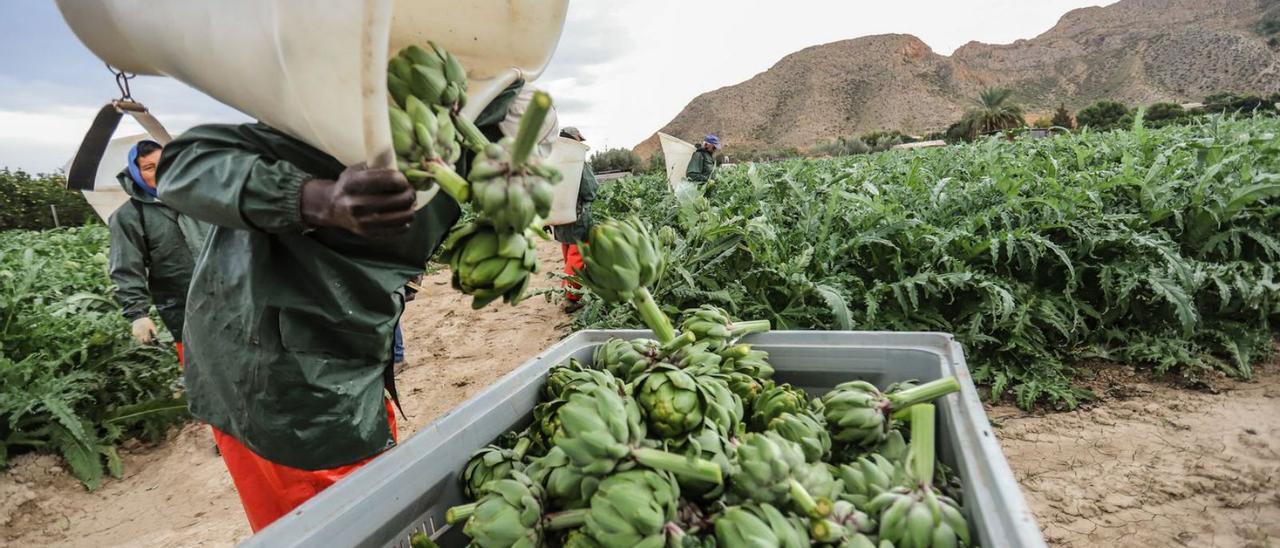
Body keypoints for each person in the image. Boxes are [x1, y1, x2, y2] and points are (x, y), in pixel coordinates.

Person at [155, 85, 549, 532]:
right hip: (278, 385)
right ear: (476, 133)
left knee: (363, 515)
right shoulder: (350, 130)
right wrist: (317, 199)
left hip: (345, 363)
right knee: (331, 528)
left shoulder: (458, 183)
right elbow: (183, 164)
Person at [107, 140, 209, 367]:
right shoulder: (130, 215)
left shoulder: (198, 200)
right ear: (136, 174)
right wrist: (138, 314)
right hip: (184, 312)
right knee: (204, 380)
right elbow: (126, 267)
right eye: (149, 168)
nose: (160, 171)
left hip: (233, 302)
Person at [551, 127, 598, 313]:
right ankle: (571, 297)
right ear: (574, 140)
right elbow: (590, 190)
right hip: (577, 217)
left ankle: (568, 288)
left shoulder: (552, 161)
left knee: (567, 255)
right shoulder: (578, 163)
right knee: (577, 258)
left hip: (559, 217)